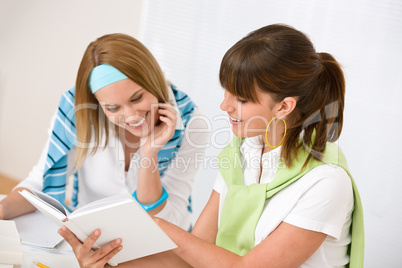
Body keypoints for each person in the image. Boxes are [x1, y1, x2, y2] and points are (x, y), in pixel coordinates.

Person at [60, 24, 364, 267]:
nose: (224, 106)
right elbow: (196, 256)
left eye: (241, 99)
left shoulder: (325, 182)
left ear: (283, 107)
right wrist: (109, 260)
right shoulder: (242, 153)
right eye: (227, 92)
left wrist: (156, 226)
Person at [0, 33, 209, 231]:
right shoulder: (77, 111)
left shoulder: (191, 121)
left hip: (163, 244)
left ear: (154, 81)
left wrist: (149, 155)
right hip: (92, 236)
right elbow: (41, 183)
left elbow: (168, 221)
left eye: (136, 98)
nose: (131, 115)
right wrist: (4, 209)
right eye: (113, 108)